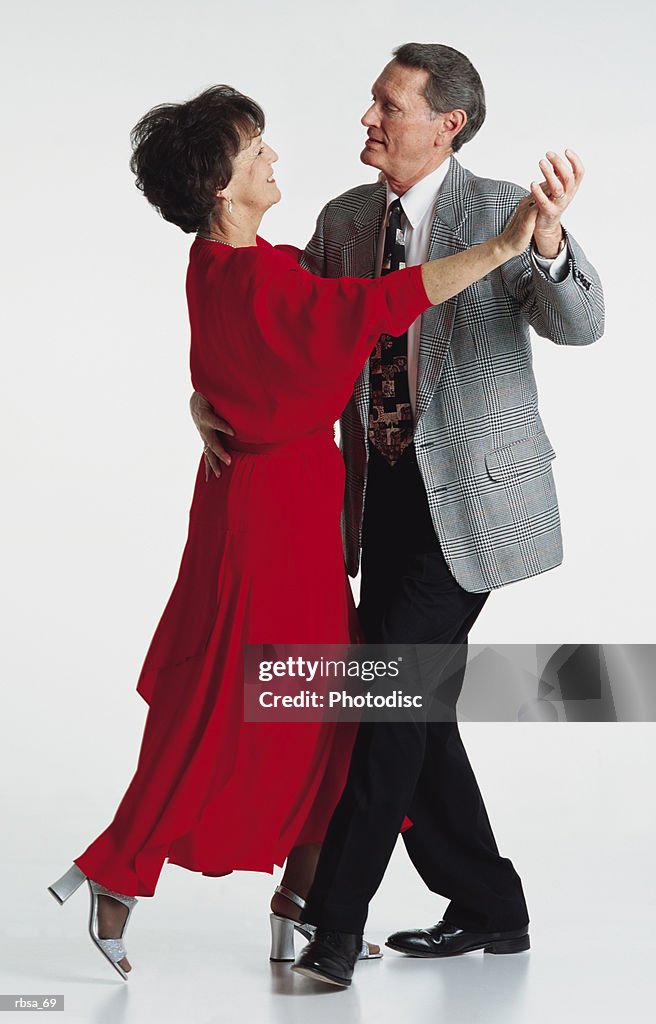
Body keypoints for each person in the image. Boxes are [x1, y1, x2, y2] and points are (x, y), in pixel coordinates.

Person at [46, 83, 539, 982]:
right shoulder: (264, 274)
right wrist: (503, 248)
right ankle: (118, 869)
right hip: (275, 522)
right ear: (218, 188)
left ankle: (297, 904)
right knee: (238, 707)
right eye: (256, 151)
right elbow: (379, 305)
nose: (274, 158)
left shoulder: (219, 264)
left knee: (332, 716)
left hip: (276, 511)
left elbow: (234, 362)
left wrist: (204, 400)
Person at [191, 43, 605, 988]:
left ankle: (332, 925)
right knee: (416, 705)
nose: (368, 120)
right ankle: (490, 905)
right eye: (372, 101)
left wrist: (545, 244)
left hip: (479, 505)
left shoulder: (504, 209)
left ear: (447, 123)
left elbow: (583, 323)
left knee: (381, 697)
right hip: (379, 503)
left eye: (389, 105)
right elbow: (267, 317)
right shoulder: (342, 219)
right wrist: (199, 395)